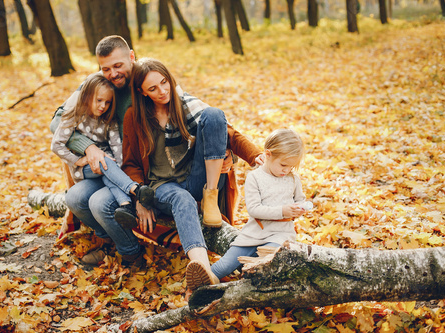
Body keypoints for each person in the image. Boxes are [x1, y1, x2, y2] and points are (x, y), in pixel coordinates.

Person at [51, 36, 262, 267]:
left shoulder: (165, 91)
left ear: (131, 57)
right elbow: (58, 122)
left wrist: (245, 154)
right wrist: (89, 148)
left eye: (118, 66)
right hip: (118, 170)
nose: (112, 73)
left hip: (162, 174)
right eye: (106, 68)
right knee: (77, 198)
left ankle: (136, 247)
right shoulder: (99, 85)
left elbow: (215, 125)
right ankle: (114, 245)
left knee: (100, 204)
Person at [121, 58, 262, 291]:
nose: (162, 91)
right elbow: (131, 164)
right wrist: (139, 197)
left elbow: (226, 132)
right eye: (153, 88)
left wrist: (254, 154)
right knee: (181, 199)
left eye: (164, 82)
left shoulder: (185, 104)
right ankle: (204, 271)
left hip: (196, 179)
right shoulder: (134, 117)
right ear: (142, 92)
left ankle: (211, 199)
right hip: (161, 186)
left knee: (214, 114)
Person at [192, 129, 313, 287]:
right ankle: (199, 285)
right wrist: (282, 210)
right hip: (253, 234)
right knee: (225, 265)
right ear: (268, 154)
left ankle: (242, 288)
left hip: (280, 236)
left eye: (291, 167)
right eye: (283, 165)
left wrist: (300, 207)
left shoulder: (292, 179)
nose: (286, 170)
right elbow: (254, 209)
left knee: (265, 263)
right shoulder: (255, 178)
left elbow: (299, 199)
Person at [51, 73, 154, 232]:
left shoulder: (108, 120)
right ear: (86, 96)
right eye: (99, 100)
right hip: (85, 168)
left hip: (107, 167)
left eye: (107, 102)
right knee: (103, 162)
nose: (103, 106)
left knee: (107, 167)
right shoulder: (74, 115)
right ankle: (135, 189)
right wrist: (77, 161)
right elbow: (56, 145)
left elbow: (117, 148)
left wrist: (118, 167)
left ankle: (125, 206)